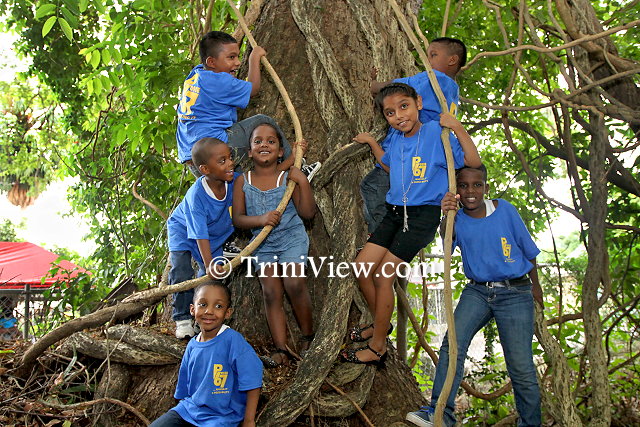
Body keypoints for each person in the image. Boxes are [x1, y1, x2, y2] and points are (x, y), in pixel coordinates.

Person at [341, 83, 481, 365]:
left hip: (421, 217)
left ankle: (377, 347)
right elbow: (390, 166)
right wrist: (371, 143)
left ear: (418, 102)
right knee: (361, 267)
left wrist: (456, 127)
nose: (398, 116)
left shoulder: (436, 133)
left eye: (403, 106)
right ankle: (381, 323)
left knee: (383, 277)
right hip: (394, 212)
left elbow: (472, 160)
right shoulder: (396, 137)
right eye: (390, 112)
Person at [406, 164, 543, 427]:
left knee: (521, 367)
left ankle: (530, 424)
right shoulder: (456, 217)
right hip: (478, 291)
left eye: (477, 185)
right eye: (464, 186)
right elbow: (447, 237)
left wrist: (535, 289)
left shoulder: (505, 210)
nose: (471, 191)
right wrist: (447, 213)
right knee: (452, 345)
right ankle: (440, 413)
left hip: (515, 291)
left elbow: (530, 252)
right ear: (457, 190)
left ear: (486, 188)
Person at [176, 30, 320, 179]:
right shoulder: (219, 81)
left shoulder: (195, 75)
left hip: (194, 159)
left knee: (236, 187)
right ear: (211, 62)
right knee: (263, 121)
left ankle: (274, 184)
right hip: (215, 148)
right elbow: (253, 88)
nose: (238, 62)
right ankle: (297, 167)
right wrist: (254, 57)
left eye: (237, 56)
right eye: (231, 57)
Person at [231, 123, 316, 367]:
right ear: (249, 151)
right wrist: (260, 219)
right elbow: (238, 219)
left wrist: (303, 182)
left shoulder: (287, 178)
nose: (264, 145)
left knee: (294, 282)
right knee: (270, 292)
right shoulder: (242, 181)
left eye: (271, 141)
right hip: (262, 243)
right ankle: (281, 348)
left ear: (280, 151)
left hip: (291, 238)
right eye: (258, 141)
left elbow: (308, 214)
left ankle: (308, 336)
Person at [361, 37, 466, 233]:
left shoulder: (433, 78)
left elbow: (394, 89)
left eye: (433, 55)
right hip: (424, 161)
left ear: (452, 60)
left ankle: (377, 234)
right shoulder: (453, 92)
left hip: (406, 152)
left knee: (372, 185)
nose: (428, 61)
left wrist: (373, 85)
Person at [150, 282, 262, 427]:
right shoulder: (192, 345)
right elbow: (184, 386)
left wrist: (249, 421)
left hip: (221, 417)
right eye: (203, 304)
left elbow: (253, 379)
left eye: (218, 306)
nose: (209, 311)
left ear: (228, 313)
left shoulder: (233, 341)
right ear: (192, 309)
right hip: (189, 410)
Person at [167, 137, 237, 339]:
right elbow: (199, 234)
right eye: (222, 161)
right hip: (183, 230)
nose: (230, 163)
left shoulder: (233, 180)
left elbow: (256, 181)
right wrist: (209, 265)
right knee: (182, 270)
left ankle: (201, 320)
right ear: (205, 169)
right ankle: (182, 318)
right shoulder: (197, 195)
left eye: (230, 157)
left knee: (206, 281)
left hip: (212, 236)